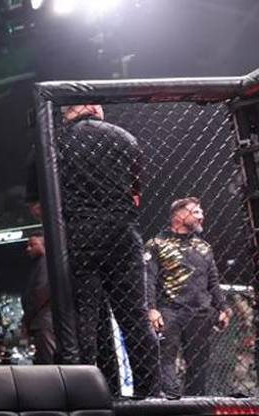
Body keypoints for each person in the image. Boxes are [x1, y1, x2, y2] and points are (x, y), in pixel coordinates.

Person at [58, 104, 160, 396]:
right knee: (134, 318)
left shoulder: (54, 143)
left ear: (70, 112)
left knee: (84, 321)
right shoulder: (126, 138)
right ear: (93, 108)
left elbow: (39, 204)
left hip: (79, 234)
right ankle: (150, 396)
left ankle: (90, 396)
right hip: (122, 232)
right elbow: (136, 194)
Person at [145, 196, 230, 397]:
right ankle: (172, 404)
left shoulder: (204, 247)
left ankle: (197, 407)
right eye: (197, 212)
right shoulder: (157, 243)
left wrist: (224, 308)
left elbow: (213, 282)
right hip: (169, 311)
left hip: (200, 312)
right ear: (181, 215)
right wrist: (151, 308)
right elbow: (148, 279)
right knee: (165, 360)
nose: (202, 216)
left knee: (199, 365)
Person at [20, 233, 55, 364]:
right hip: (41, 319)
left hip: (44, 319)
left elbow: (41, 292)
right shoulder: (40, 264)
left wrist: (27, 317)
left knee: (48, 359)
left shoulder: (45, 262)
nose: (28, 249)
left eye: (32, 245)